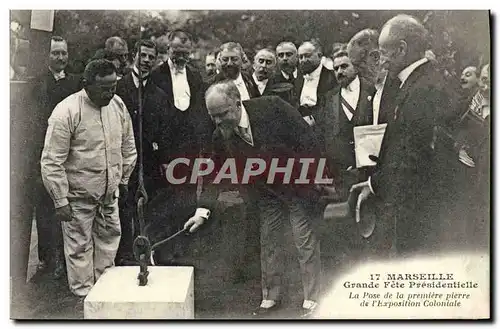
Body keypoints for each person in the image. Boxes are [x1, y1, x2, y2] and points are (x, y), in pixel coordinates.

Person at [184, 80, 326, 318]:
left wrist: (313, 178)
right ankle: (270, 296)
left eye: (222, 114)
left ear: (238, 104)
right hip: (265, 194)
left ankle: (313, 298)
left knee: (304, 242)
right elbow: (213, 173)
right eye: (213, 116)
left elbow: (308, 141)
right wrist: (202, 211)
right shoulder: (220, 135)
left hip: (298, 187)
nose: (218, 122)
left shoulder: (273, 107)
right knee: (269, 242)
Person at [351, 14, 453, 254]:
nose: (382, 61)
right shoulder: (418, 83)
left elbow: (412, 155)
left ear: (401, 49)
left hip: (420, 207)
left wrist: (374, 184)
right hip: (412, 201)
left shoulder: (422, 89)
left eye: (384, 53)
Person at [40, 59, 137, 297]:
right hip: (77, 198)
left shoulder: (118, 105)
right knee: (79, 249)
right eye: (104, 88)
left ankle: (105, 297)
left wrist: (123, 180)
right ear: (87, 84)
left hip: (108, 196)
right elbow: (52, 160)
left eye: (113, 86)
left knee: (109, 242)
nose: (110, 93)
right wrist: (60, 200)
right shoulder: (66, 111)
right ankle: (83, 298)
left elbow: (128, 146)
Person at [148, 30, 212, 265]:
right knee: (165, 201)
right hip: (166, 151)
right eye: (176, 52)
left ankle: (182, 251)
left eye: (185, 53)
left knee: (187, 198)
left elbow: (199, 113)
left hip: (191, 150)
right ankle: (161, 252)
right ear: (168, 50)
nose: (180, 57)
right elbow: (153, 119)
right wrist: (161, 155)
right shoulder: (156, 76)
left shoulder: (195, 77)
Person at [115, 40, 171, 265]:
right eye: (143, 56)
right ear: (134, 57)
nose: (147, 61)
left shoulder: (159, 93)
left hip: (149, 161)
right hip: (122, 159)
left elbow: (165, 129)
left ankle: (147, 253)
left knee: (148, 207)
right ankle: (123, 255)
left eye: (151, 57)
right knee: (123, 207)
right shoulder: (119, 88)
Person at [31, 36, 82, 279]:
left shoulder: (75, 83)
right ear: (47, 56)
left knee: (67, 206)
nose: (60, 58)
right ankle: (46, 259)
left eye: (63, 53)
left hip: (70, 153)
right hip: (44, 152)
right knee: (45, 207)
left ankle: (66, 260)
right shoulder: (37, 84)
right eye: (55, 54)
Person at [315, 50, 375, 199]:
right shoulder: (328, 98)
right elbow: (323, 135)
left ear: (355, 67)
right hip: (340, 174)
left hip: (369, 170)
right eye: (336, 69)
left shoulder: (373, 91)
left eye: (344, 66)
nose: (339, 72)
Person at [295, 40, 337, 126]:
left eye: (307, 56)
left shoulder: (332, 77)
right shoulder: (298, 79)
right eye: (300, 57)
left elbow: (333, 108)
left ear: (319, 56)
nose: (303, 60)